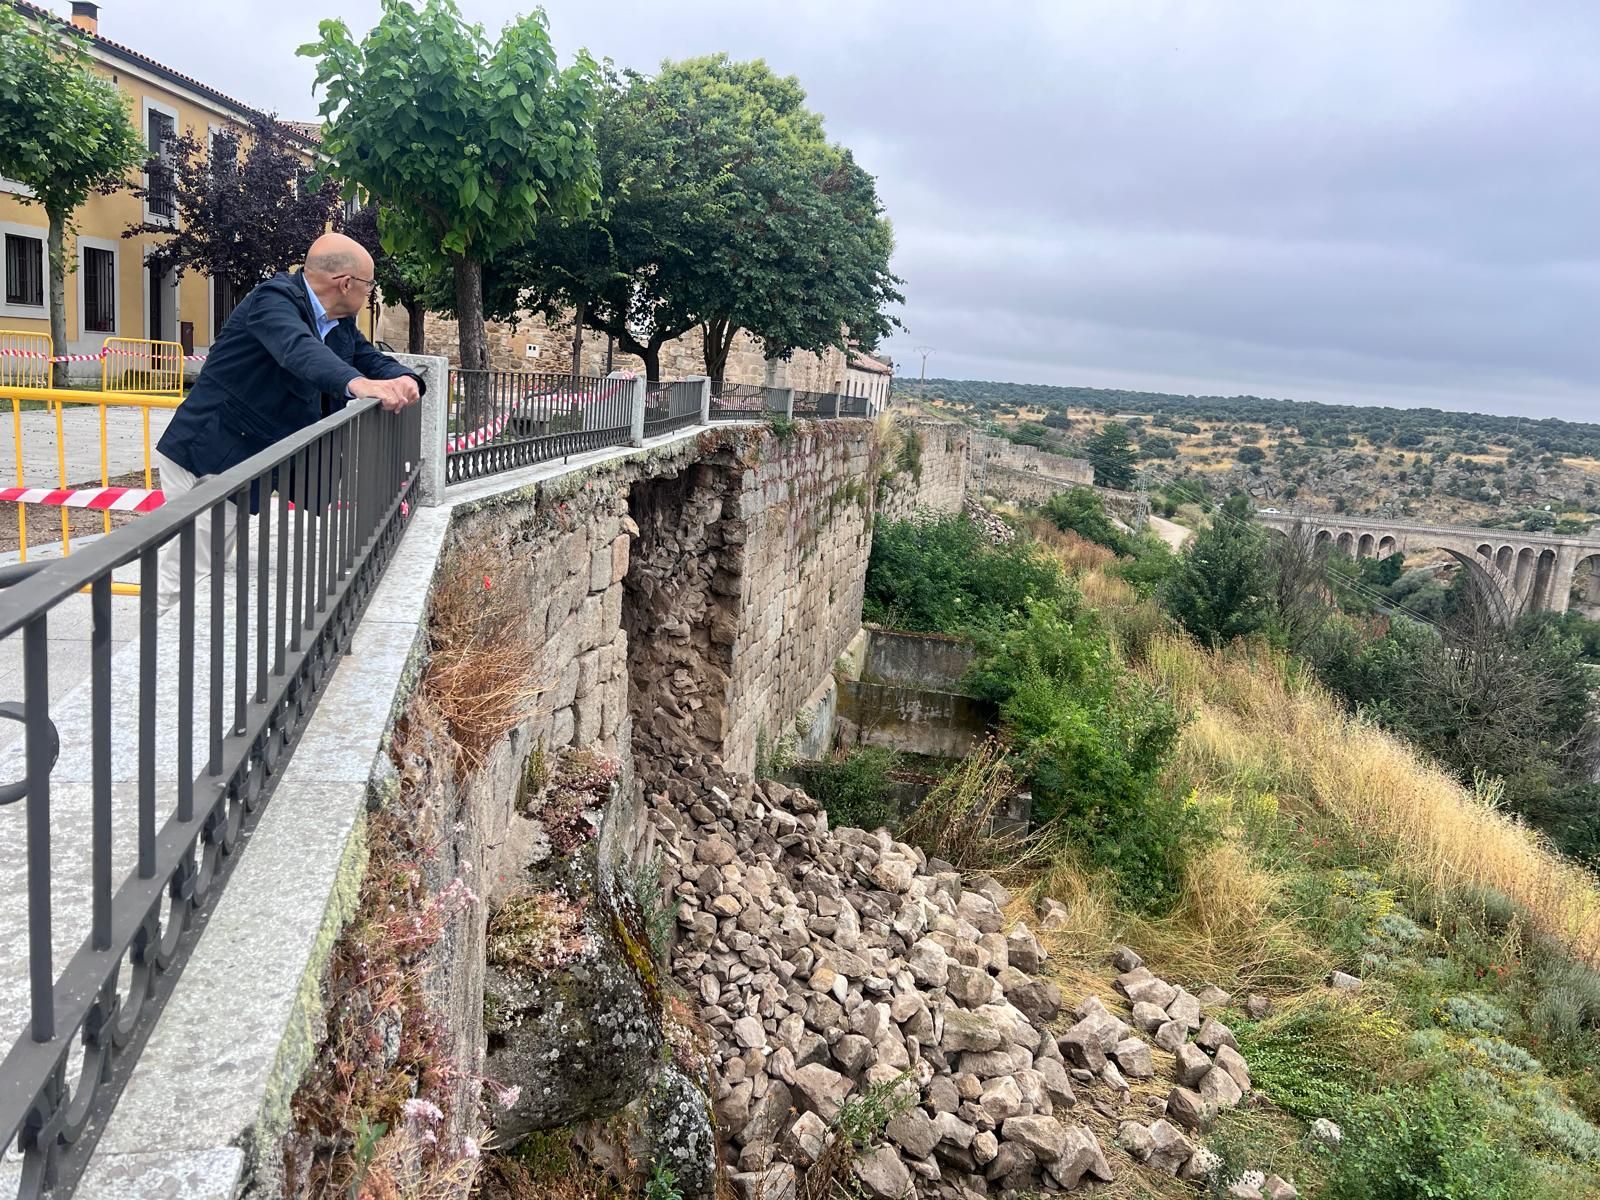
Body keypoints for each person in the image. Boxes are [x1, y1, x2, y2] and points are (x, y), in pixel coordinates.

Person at [152, 232, 424, 609]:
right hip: (207, 453)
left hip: (244, 458)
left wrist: (407, 379)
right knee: (190, 566)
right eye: (369, 286)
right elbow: (297, 350)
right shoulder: (272, 301)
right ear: (345, 283)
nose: (370, 295)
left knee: (207, 556)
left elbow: (367, 355)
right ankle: (157, 648)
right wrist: (357, 385)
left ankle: (174, 638)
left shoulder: (337, 322)